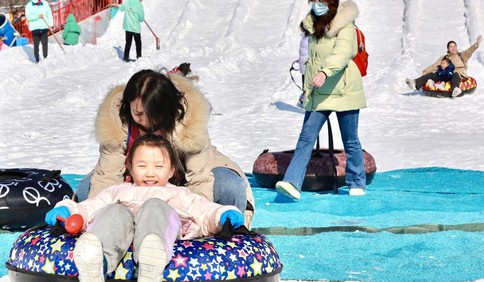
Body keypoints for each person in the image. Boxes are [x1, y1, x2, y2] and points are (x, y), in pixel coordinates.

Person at [45, 134, 244, 281]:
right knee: (114, 211)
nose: (150, 173)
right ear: (130, 168)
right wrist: (68, 211)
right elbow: (89, 207)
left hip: (155, 226)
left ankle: (151, 258)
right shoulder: (118, 191)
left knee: (154, 207)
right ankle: (98, 260)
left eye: (158, 167)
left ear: (172, 170)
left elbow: (203, 209)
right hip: (122, 231)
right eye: (142, 166)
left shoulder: (178, 193)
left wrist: (222, 214)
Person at [75, 69, 255, 227]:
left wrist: (195, 219)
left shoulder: (189, 119)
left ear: (167, 108)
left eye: (153, 115)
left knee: (230, 186)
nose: (144, 121)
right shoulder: (116, 119)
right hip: (135, 184)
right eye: (137, 113)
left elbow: (199, 179)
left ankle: (224, 234)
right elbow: (107, 176)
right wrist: (96, 221)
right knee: (86, 189)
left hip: (185, 185)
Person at [275, 0, 367, 200]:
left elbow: (343, 53)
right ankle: (292, 182)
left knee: (350, 139)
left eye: (321, 1)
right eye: (314, 1)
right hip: (319, 91)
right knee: (306, 138)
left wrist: (325, 72)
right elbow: (310, 60)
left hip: (344, 89)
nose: (317, 4)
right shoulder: (313, 25)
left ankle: (357, 182)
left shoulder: (346, 24)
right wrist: (307, 90)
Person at [406, 35, 482, 97]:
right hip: (446, 74)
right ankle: (415, 83)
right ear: (448, 49)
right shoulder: (444, 58)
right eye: (451, 47)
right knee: (434, 74)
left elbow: (469, 51)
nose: (453, 48)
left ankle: (455, 90)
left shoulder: (462, 55)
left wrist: (476, 45)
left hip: (458, 75)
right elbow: (434, 66)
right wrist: (425, 71)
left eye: (454, 46)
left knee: (455, 74)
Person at [298, 21, 309, 106]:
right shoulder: (305, 37)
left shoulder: (307, 38)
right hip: (304, 66)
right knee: (306, 86)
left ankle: (305, 102)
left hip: (306, 66)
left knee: (306, 86)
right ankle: (304, 101)